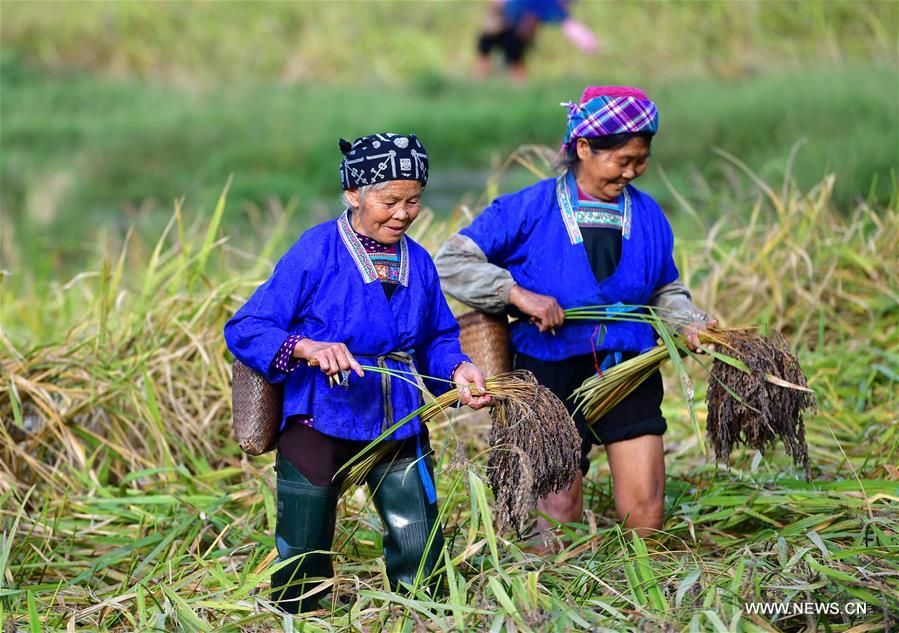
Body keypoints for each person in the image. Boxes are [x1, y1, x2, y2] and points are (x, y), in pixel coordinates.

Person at [435, 87, 716, 545]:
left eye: (640, 160)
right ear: (583, 148)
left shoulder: (647, 215)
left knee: (645, 506)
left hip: (627, 365)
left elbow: (665, 288)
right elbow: (450, 262)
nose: (630, 172)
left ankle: (646, 599)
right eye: (621, 160)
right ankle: (556, 595)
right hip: (548, 366)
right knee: (559, 508)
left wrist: (688, 319)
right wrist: (518, 295)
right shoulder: (528, 207)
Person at [224, 132, 491, 613]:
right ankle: (298, 617)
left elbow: (436, 337)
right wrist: (305, 347)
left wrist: (457, 368)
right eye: (390, 200)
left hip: (397, 416)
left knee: (419, 539)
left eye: (413, 200)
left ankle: (423, 614)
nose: (403, 213)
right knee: (303, 544)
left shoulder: (420, 262)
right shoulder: (316, 251)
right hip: (320, 414)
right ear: (354, 194)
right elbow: (247, 327)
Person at [475, 0, 598, 83]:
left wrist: (588, 43)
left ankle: (518, 84)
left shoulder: (548, 4)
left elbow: (569, 25)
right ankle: (481, 78)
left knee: (513, 55)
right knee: (486, 41)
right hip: (505, 26)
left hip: (518, 35)